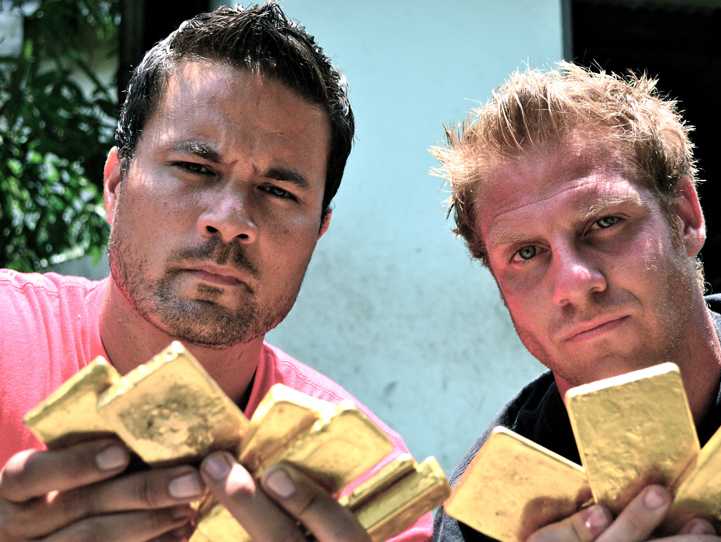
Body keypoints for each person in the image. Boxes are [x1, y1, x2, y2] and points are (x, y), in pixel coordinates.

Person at [0, 4, 430, 541]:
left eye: (277, 191)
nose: (230, 220)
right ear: (115, 184)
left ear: (318, 232)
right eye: (195, 168)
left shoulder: (364, 491)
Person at [430, 63, 721, 541]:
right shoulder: (485, 517)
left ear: (685, 218)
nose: (575, 282)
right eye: (526, 253)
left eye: (604, 223)